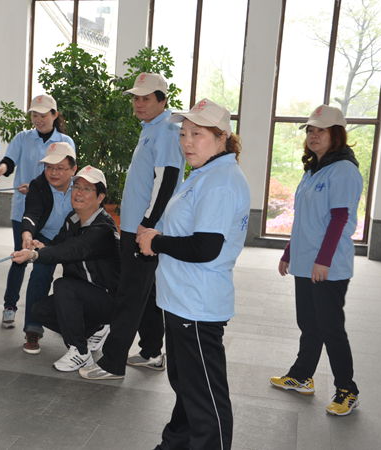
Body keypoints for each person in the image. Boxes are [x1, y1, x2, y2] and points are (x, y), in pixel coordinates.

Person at [132, 98, 249, 450]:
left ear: (222, 137)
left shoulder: (220, 181)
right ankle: (174, 444)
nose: (186, 142)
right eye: (183, 134)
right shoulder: (205, 174)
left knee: (205, 396)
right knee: (187, 385)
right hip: (182, 299)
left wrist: (156, 241)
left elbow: (206, 247)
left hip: (197, 305)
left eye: (197, 134)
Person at [80, 72, 184, 380]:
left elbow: (166, 180)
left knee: (129, 294)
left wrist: (146, 225)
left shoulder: (167, 130)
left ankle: (112, 363)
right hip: (138, 227)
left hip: (145, 230)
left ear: (162, 101)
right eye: (136, 98)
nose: (138, 103)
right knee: (146, 293)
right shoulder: (151, 128)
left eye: (146, 98)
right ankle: (152, 351)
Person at [270, 105, 362, 417]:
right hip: (305, 261)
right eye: (310, 130)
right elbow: (303, 220)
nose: (313, 135)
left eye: (321, 130)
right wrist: (289, 253)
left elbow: (339, 219)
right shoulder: (313, 170)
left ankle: (347, 389)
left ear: (337, 134)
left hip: (328, 266)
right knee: (309, 324)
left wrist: (323, 261)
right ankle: (302, 376)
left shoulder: (344, 170)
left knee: (331, 328)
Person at [13, 166, 120, 372]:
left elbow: (73, 249)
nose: (79, 193)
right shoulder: (73, 218)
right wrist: (41, 247)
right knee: (40, 310)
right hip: (85, 296)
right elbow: (59, 245)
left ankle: (80, 351)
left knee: (64, 286)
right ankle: (96, 328)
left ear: (100, 197)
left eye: (87, 189)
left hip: (109, 300)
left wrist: (36, 255)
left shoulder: (103, 229)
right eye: (76, 187)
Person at [0, 94, 75, 329]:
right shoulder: (23, 138)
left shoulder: (65, 141)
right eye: (34, 115)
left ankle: (48, 317)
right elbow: (10, 161)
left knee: (44, 264)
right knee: (19, 257)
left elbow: (67, 173)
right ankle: (9, 305)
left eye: (43, 115)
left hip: (55, 215)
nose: (38, 119)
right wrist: (2, 169)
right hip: (24, 210)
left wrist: (40, 187)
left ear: (55, 115)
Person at [16, 142, 77, 354]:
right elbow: (32, 213)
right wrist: (27, 234)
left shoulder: (82, 186)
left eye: (60, 168)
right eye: (49, 167)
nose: (53, 173)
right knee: (39, 276)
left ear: (73, 169)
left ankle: (79, 328)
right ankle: (33, 329)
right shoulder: (38, 184)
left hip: (72, 239)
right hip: (44, 238)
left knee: (76, 281)